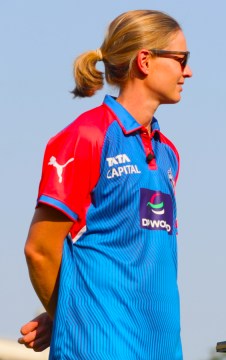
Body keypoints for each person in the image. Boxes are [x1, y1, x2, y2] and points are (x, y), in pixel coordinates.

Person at [17, 9, 192, 358]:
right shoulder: (87, 136)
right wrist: (71, 316)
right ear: (145, 60)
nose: (188, 71)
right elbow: (39, 249)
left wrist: (67, 311)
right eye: (181, 59)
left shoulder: (168, 152)